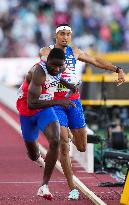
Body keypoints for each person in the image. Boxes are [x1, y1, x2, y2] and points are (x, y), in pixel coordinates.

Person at [39, 24, 125, 200]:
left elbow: (96, 61)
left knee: (82, 147)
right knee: (64, 144)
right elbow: (47, 61)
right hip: (56, 102)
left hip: (74, 102)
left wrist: (117, 69)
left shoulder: (75, 51)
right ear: (56, 36)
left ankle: (69, 132)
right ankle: (72, 188)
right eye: (62, 34)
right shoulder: (47, 51)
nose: (65, 37)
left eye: (68, 34)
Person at [16, 48, 76, 200]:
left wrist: (69, 85)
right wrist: (60, 101)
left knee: (55, 140)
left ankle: (44, 186)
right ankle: (38, 158)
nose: (56, 69)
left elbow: (56, 76)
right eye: (53, 66)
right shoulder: (38, 72)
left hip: (45, 109)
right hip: (28, 110)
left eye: (59, 66)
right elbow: (32, 104)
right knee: (33, 154)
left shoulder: (59, 66)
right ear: (46, 62)